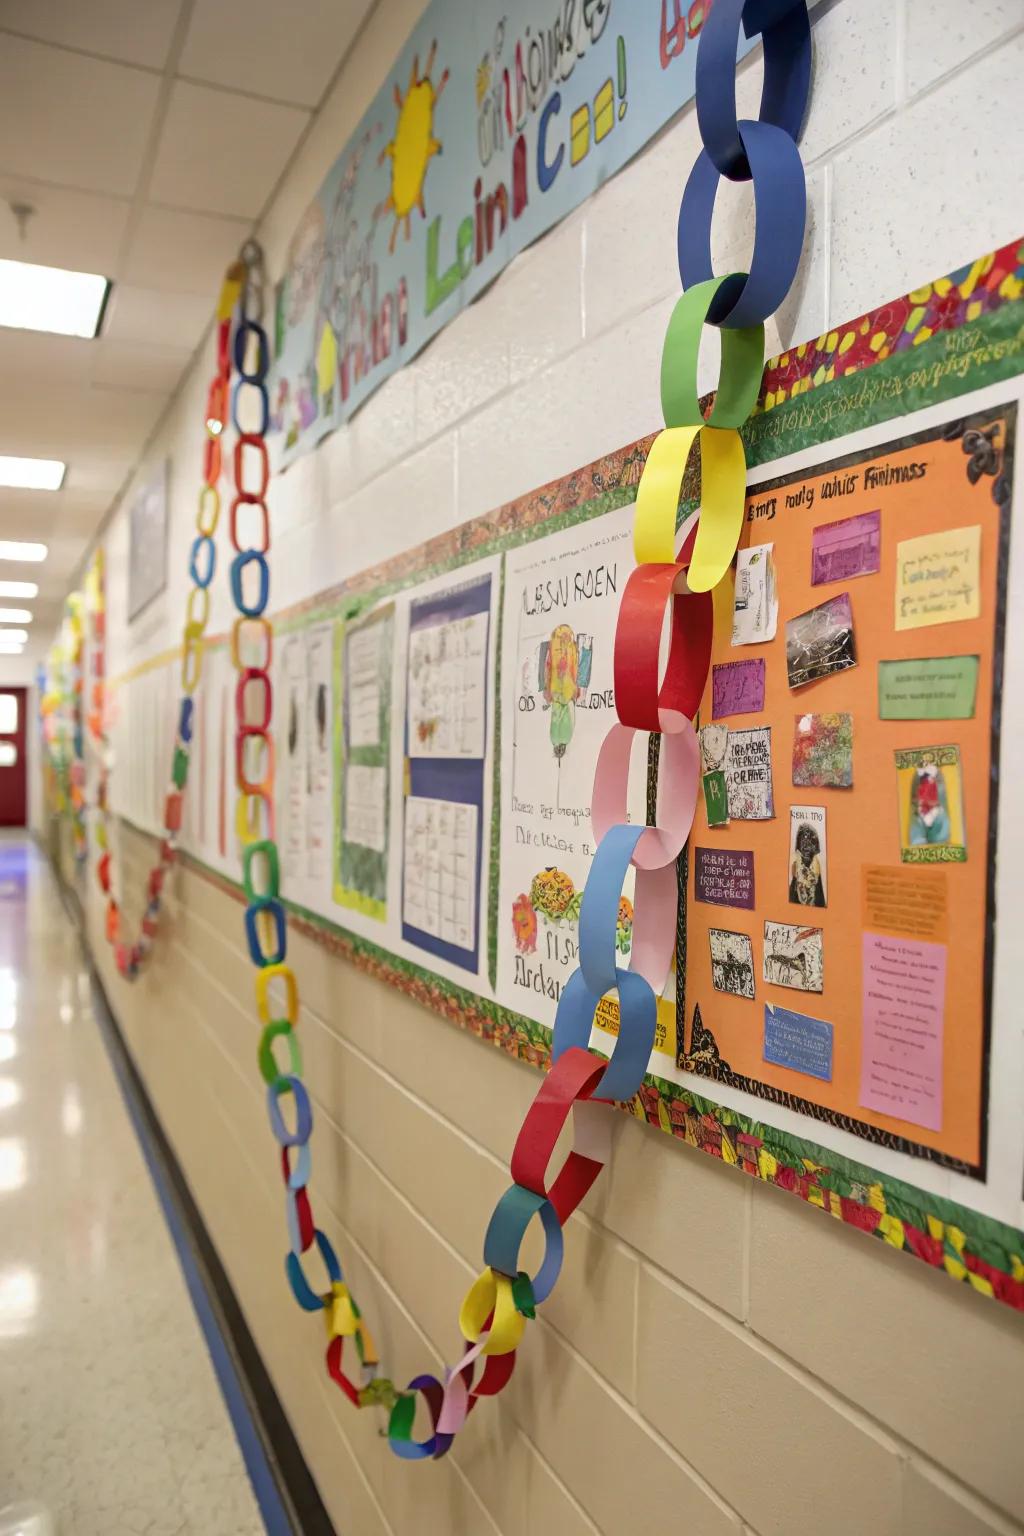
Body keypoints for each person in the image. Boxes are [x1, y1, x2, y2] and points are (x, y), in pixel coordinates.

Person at [789, 822, 825, 906]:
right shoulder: (795, 867)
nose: (806, 846)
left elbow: (820, 901)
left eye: (810, 842)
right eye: (803, 841)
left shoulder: (816, 869)